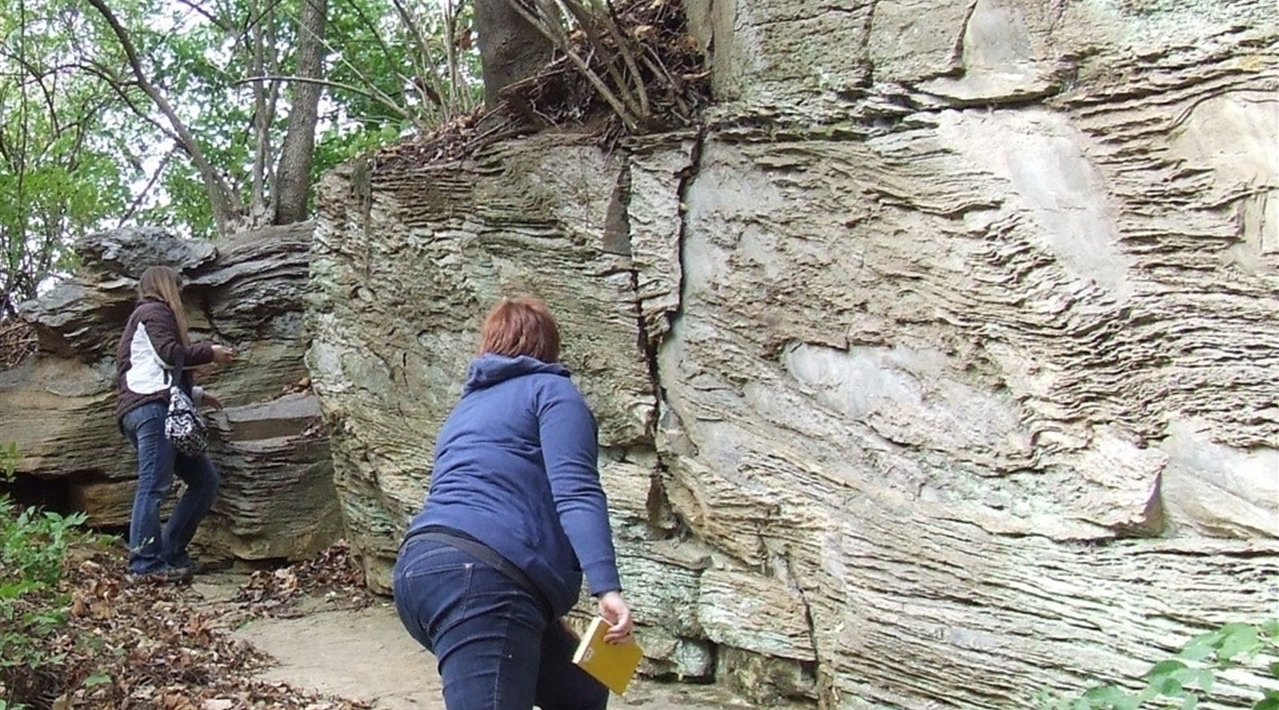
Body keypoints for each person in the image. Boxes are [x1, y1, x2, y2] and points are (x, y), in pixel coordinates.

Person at [393, 295, 634, 710]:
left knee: (579, 693)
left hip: (419, 573)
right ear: (550, 348)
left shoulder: (467, 409)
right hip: (481, 582)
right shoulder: (553, 392)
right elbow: (576, 491)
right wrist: (606, 588)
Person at [114, 265, 234, 584]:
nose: (180, 294)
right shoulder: (153, 310)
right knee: (153, 486)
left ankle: (169, 553)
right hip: (151, 410)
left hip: (156, 407)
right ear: (164, 285)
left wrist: (196, 393)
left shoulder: (148, 315)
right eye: (177, 287)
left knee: (204, 481)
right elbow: (168, 355)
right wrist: (209, 352)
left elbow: (152, 369)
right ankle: (143, 564)